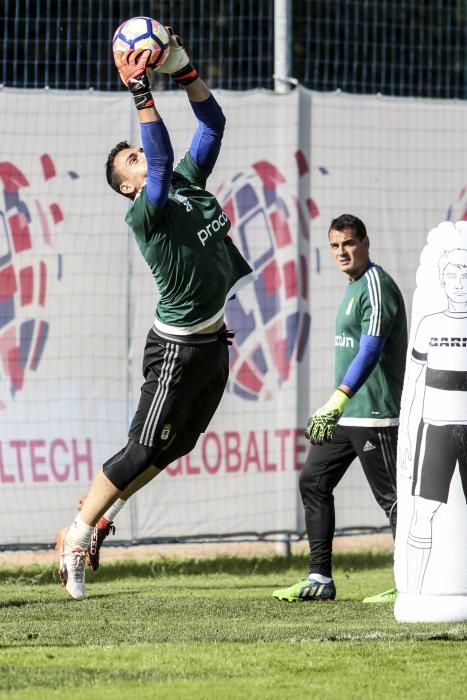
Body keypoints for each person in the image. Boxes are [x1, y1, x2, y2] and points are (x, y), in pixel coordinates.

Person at [56, 29, 255, 599]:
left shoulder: (188, 184)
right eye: (132, 162)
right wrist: (142, 92)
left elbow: (213, 125)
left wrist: (185, 70)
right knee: (143, 447)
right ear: (129, 188)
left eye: (137, 151)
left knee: (176, 447)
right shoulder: (149, 211)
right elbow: (163, 162)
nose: (142, 158)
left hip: (213, 340)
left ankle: (96, 515)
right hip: (174, 347)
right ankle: (75, 534)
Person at [272, 213, 407, 602]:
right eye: (334, 245)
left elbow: (371, 347)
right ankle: (320, 579)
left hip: (375, 414)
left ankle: (412, 584)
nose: (342, 252)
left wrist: (338, 397)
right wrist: (339, 405)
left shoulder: (377, 285)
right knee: (313, 481)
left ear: (365, 242)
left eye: (348, 243)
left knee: (395, 499)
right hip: (348, 415)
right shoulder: (352, 287)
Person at [401, 248, 467, 593]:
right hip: (436, 428)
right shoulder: (430, 324)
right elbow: (413, 381)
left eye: (466, 275)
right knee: (422, 511)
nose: (459, 283)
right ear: (442, 279)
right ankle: (416, 592)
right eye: (453, 275)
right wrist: (410, 435)